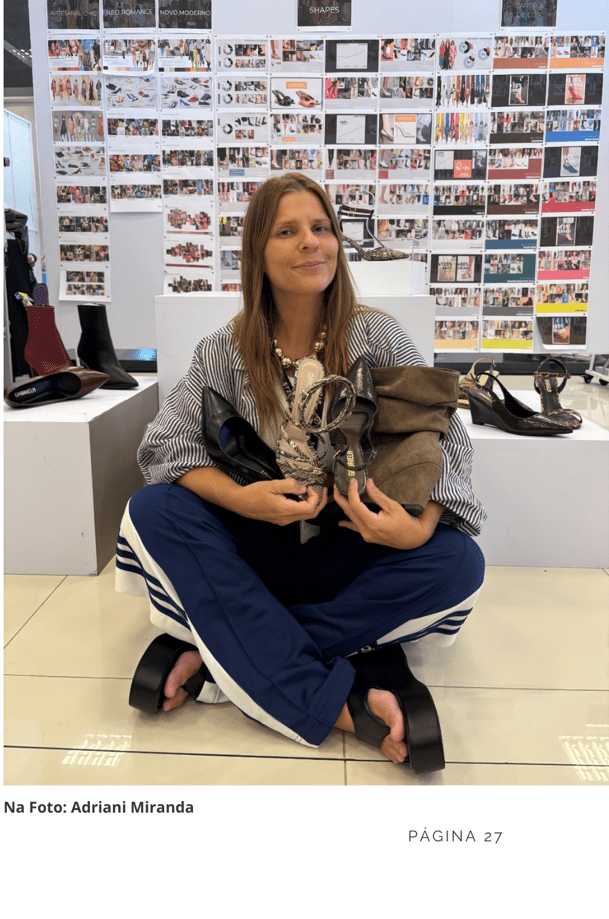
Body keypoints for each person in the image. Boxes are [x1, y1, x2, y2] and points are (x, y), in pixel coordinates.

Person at [116, 173, 485, 765]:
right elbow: (165, 447)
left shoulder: (377, 334)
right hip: (260, 546)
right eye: (287, 232)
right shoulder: (225, 347)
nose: (312, 242)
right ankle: (342, 704)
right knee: (155, 510)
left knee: (458, 560)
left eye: (321, 227)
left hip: (352, 545)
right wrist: (244, 501)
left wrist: (415, 530)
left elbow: (445, 436)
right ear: (257, 254)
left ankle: (222, 653)